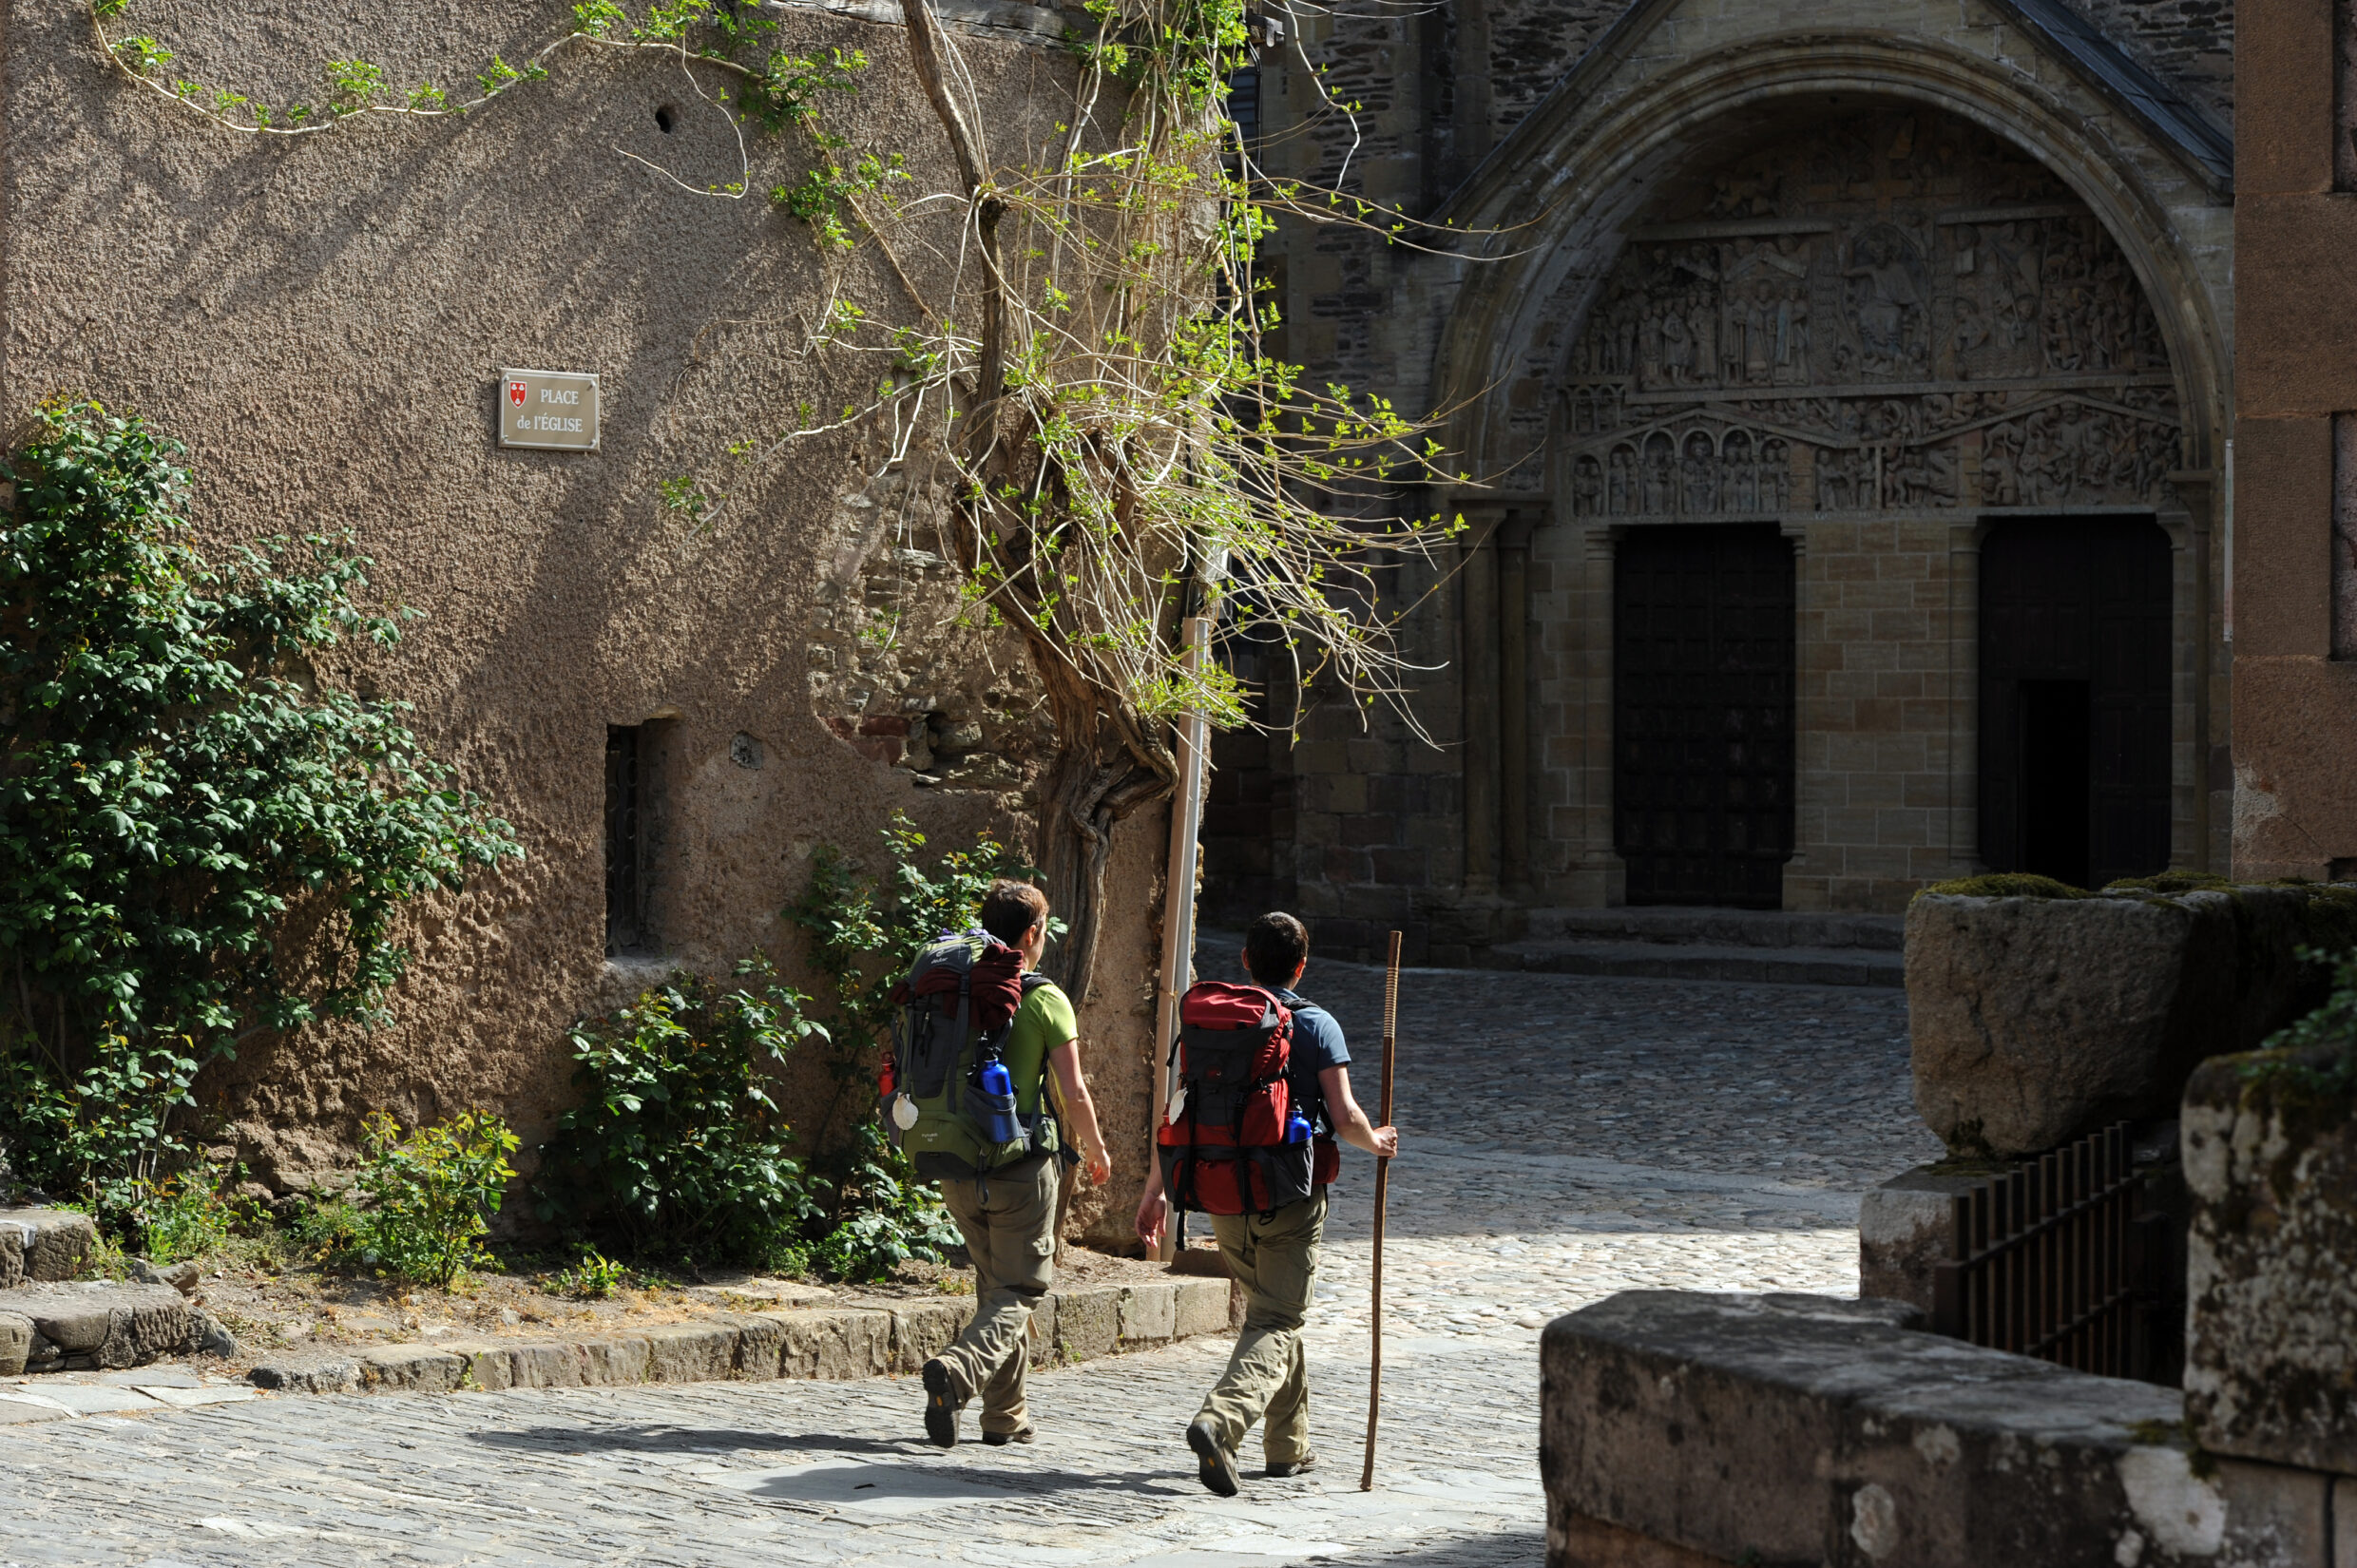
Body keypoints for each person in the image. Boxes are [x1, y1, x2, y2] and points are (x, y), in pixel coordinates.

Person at [1134, 910, 1400, 1495]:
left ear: (1247, 960)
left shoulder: (1211, 1024)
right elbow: (1345, 1114)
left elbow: (1181, 1111)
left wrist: (1156, 1191)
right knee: (1279, 1318)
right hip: (1289, 1194)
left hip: (1222, 1192)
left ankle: (1288, 1449)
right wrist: (1375, 1141)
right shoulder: (1317, 1023)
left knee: (1270, 1314)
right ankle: (1221, 1422)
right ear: (1301, 967)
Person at [921, 880, 1113, 1447]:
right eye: (1045, 928)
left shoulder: (953, 989)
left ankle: (1005, 1418)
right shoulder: (1044, 997)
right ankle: (956, 1373)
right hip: (1020, 1168)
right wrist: (1097, 1148)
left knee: (994, 1287)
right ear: (1032, 934)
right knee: (1023, 1288)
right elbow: (1072, 1090)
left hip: (955, 1162)